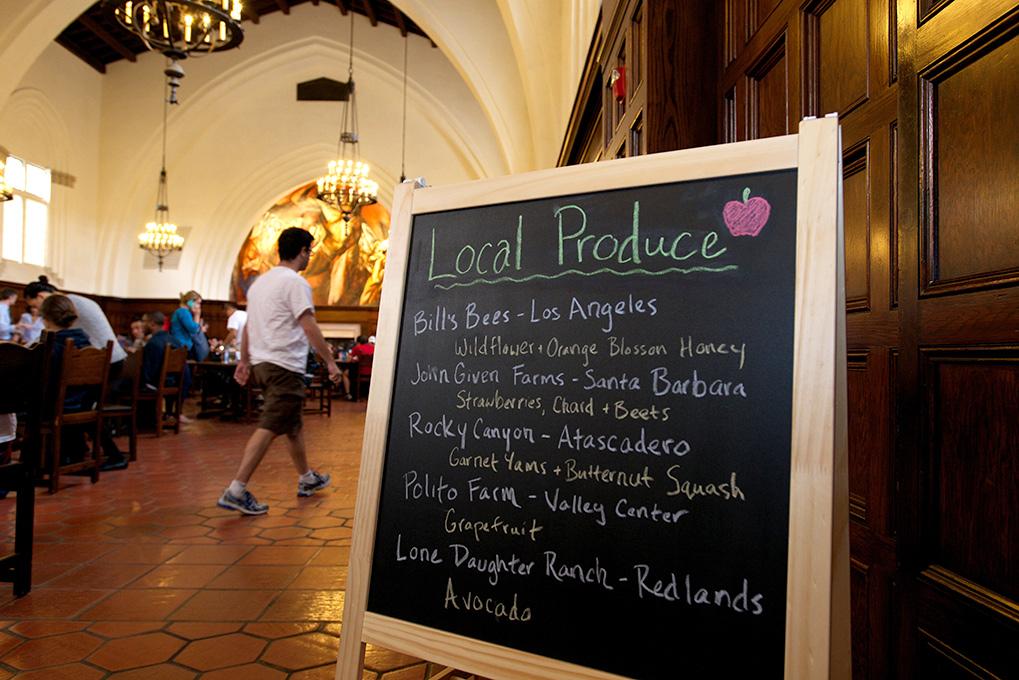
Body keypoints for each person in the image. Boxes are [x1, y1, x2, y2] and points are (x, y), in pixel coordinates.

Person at [218, 227, 340, 515]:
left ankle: (306, 478)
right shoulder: (295, 283)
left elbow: (248, 325)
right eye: (309, 251)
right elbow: (308, 324)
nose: (310, 256)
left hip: (263, 364)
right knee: (271, 424)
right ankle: (236, 489)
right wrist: (330, 361)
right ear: (301, 251)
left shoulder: (260, 284)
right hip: (284, 364)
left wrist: (245, 361)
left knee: (292, 423)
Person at [40, 294, 128, 470]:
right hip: (81, 403)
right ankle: (70, 453)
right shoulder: (86, 343)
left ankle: (36, 463)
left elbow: (44, 382)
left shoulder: (55, 346)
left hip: (60, 406)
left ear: (45, 319)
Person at [171, 291, 209, 360]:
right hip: (181, 347)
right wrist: (197, 315)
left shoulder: (183, 312)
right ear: (190, 302)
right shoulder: (183, 312)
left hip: (182, 346)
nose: (199, 306)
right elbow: (194, 329)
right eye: (198, 303)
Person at [342, 335, 375, 400]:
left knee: (345, 374)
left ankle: (348, 394)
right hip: (371, 371)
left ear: (358, 342)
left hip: (360, 371)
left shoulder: (357, 348)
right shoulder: (373, 348)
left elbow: (348, 360)